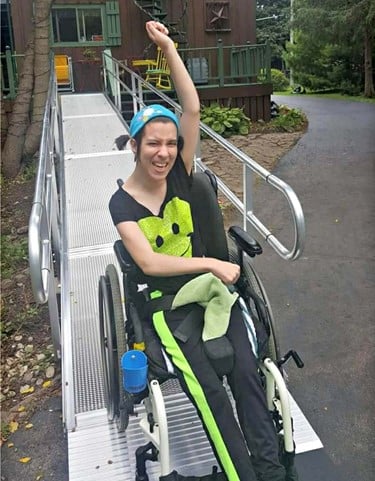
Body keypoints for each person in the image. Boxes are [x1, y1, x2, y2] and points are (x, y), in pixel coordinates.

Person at [109, 21, 288, 481]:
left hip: (211, 293)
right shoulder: (122, 203)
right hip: (167, 308)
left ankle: (271, 472)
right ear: (135, 146)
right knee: (210, 392)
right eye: (153, 143)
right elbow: (148, 262)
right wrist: (211, 260)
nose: (163, 152)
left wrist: (168, 46)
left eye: (171, 143)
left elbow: (191, 106)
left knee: (246, 374)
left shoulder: (183, 176)